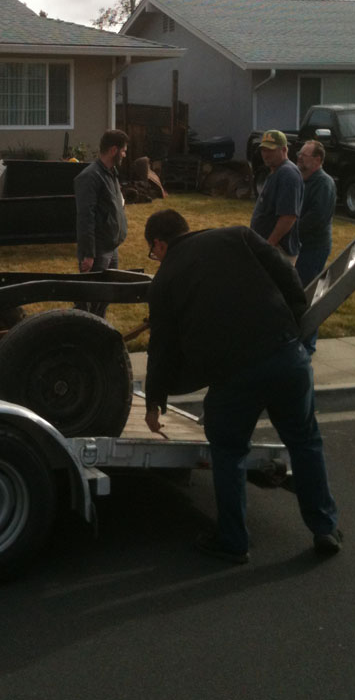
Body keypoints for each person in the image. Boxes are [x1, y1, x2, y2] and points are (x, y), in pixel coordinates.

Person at [143, 208, 341, 564]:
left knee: (229, 453)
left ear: (159, 243)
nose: (155, 258)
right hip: (284, 356)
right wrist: (295, 320)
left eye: (152, 251)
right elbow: (286, 273)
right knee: (305, 441)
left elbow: (163, 347)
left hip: (233, 377)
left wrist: (154, 401)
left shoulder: (164, 281)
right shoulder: (237, 236)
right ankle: (324, 527)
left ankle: (233, 541)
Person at [73, 128, 129, 317]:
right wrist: (88, 253)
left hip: (111, 246)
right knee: (89, 295)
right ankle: (82, 329)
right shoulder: (90, 177)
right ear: (113, 150)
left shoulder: (111, 173)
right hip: (97, 249)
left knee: (106, 293)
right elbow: (84, 217)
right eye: (123, 150)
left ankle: (99, 326)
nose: (125, 154)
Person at [295, 140, 337, 353]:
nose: (300, 157)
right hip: (301, 245)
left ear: (318, 160)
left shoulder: (323, 183)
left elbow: (317, 218)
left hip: (314, 247)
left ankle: (308, 345)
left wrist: (292, 229)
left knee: (308, 294)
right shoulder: (302, 179)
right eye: (299, 154)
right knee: (297, 292)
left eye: (305, 155)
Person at [250, 129, 303, 260]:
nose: (265, 155)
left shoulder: (287, 174)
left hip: (278, 250)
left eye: (270, 150)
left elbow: (288, 216)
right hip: (268, 247)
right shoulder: (276, 171)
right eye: (263, 150)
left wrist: (270, 244)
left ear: (284, 150)